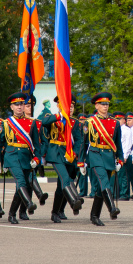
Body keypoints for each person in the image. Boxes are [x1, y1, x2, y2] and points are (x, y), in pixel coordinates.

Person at [0, 92, 42, 224]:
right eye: (16, 105)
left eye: (22, 104)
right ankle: (29, 203)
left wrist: (37, 159)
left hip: (26, 157)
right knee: (21, 181)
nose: (19, 107)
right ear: (11, 107)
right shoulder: (6, 123)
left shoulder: (31, 123)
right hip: (11, 156)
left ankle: (12, 214)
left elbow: (36, 144)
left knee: (23, 186)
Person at [41, 94, 86, 223]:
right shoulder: (53, 119)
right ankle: (74, 200)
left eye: (72, 106)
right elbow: (44, 123)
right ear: (58, 106)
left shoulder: (75, 123)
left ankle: (58, 211)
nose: (70, 108)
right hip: (56, 153)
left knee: (62, 185)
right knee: (65, 178)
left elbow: (78, 141)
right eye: (67, 105)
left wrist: (76, 153)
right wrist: (59, 116)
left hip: (69, 155)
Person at [82, 92, 124, 225]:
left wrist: (120, 159)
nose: (105, 106)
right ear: (96, 105)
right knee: (104, 181)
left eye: (107, 104)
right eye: (102, 104)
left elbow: (118, 144)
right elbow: (84, 144)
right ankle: (112, 208)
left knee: (103, 186)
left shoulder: (115, 123)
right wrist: (80, 161)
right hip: (95, 154)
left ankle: (94, 215)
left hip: (109, 156)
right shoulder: (90, 122)